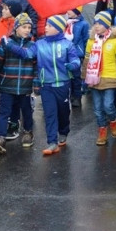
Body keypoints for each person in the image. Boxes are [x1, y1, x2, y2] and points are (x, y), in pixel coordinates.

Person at [31, 14, 81, 154]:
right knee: (50, 113)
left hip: (63, 85)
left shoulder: (67, 44)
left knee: (63, 112)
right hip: (46, 85)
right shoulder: (39, 44)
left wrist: (72, 65)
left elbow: (76, 60)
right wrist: (11, 45)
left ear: (58, 28)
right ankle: (52, 142)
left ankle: (64, 131)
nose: (45, 27)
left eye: (49, 25)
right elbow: (28, 53)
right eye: (46, 24)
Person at [0, 12, 37, 154]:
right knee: (4, 112)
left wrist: (35, 84)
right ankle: (1, 137)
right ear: (16, 27)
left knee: (27, 111)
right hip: (7, 85)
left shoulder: (33, 45)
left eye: (29, 27)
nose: (27, 30)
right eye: (24, 27)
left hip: (25, 86)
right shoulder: (4, 44)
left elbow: (35, 65)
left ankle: (28, 132)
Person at [83, 10, 116, 146]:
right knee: (97, 108)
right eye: (95, 23)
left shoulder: (115, 41)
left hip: (110, 77)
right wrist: (83, 77)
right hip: (94, 78)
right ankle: (102, 130)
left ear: (107, 25)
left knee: (108, 105)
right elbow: (87, 60)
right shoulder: (91, 41)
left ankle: (113, 121)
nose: (96, 26)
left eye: (100, 24)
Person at [64, 7, 90, 108]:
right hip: (66, 53)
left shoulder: (83, 24)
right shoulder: (67, 23)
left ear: (76, 12)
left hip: (77, 54)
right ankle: (69, 96)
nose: (68, 11)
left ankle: (77, 97)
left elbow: (85, 39)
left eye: (70, 10)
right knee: (67, 77)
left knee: (76, 77)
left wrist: (85, 54)